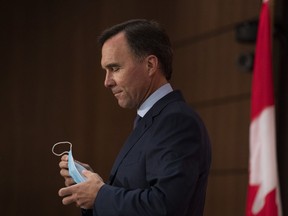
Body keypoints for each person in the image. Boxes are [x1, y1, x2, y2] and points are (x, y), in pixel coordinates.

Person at [58, 19, 211, 216]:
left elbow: (165, 207)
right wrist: (89, 187)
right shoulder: (151, 119)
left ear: (150, 65)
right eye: (105, 71)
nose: (107, 82)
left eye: (115, 68)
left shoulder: (176, 122)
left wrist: (100, 195)